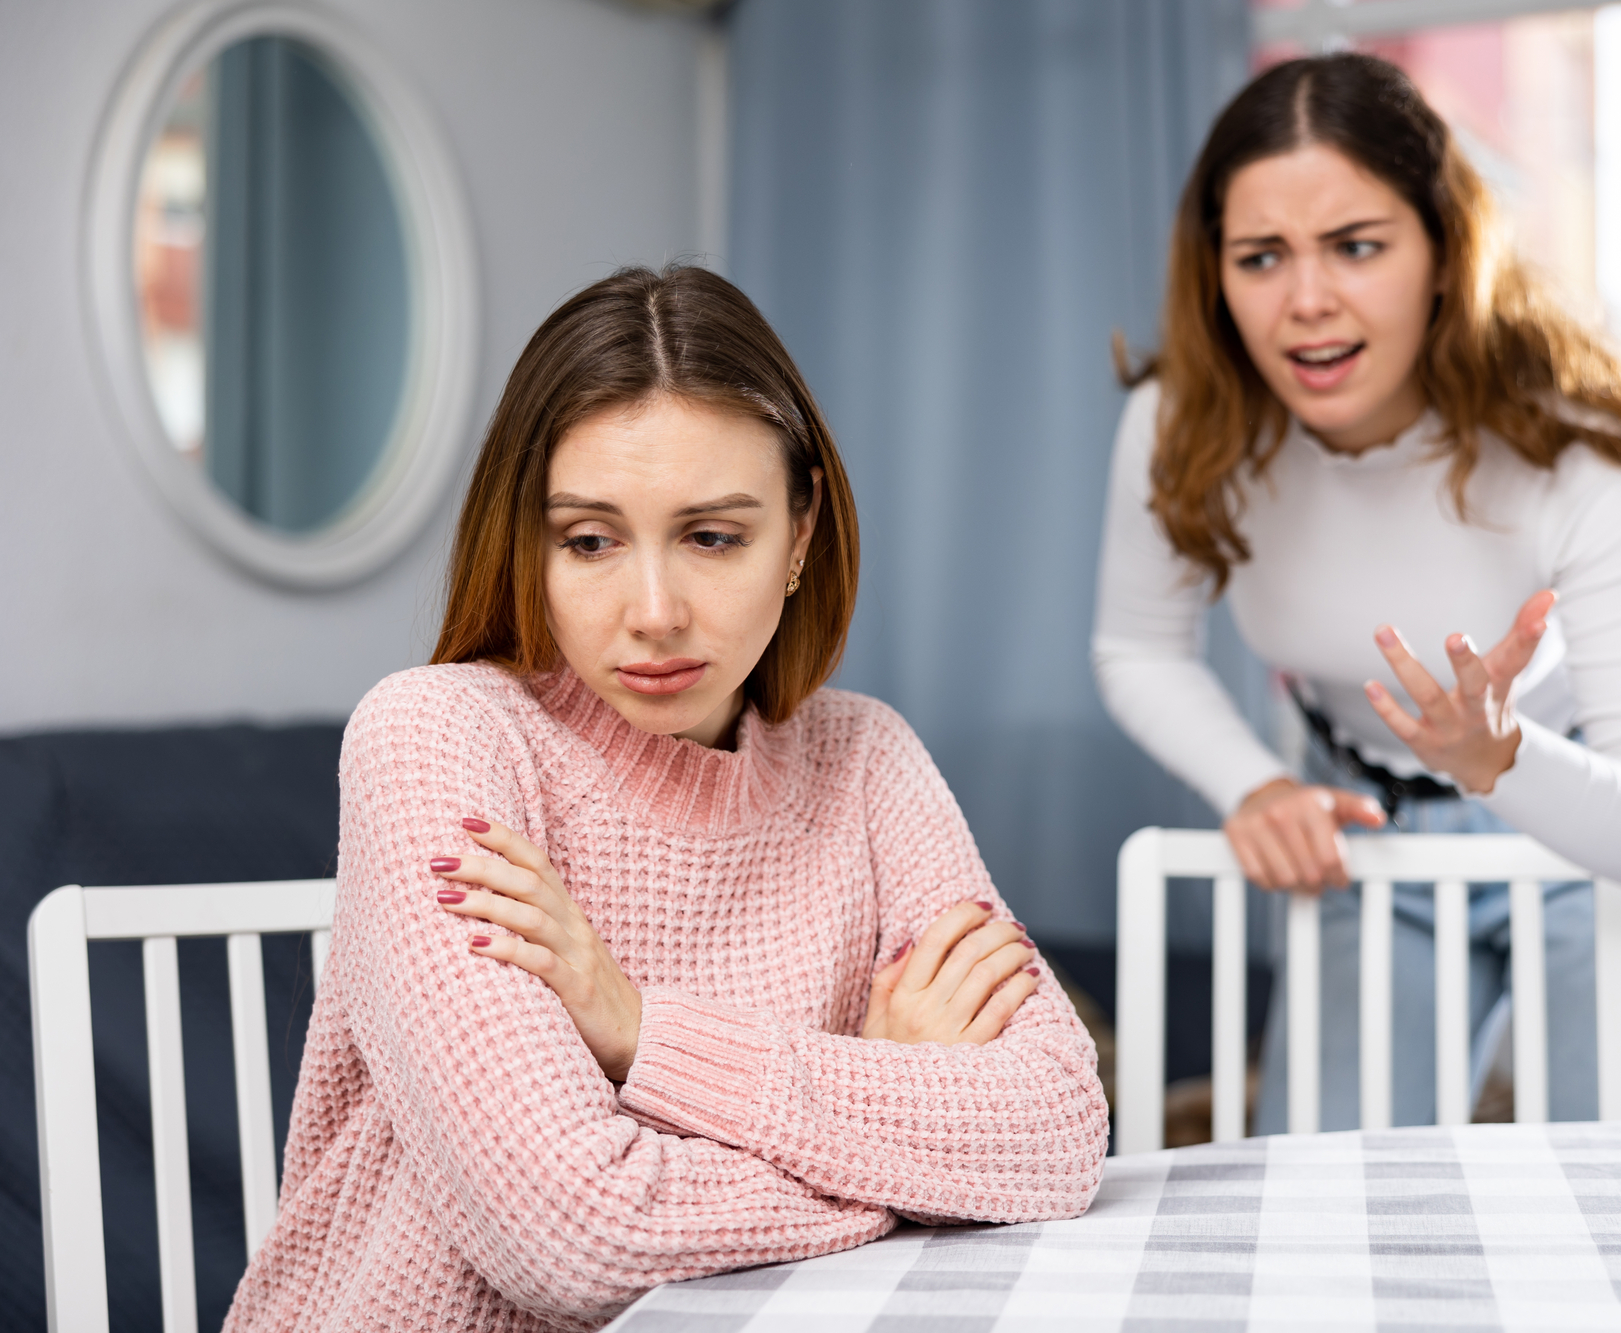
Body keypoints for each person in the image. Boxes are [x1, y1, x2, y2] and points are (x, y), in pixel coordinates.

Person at [227, 267, 1107, 1332]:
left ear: (800, 531)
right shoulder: (434, 737)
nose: (652, 612)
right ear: (529, 542)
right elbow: (579, 1236)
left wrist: (641, 1035)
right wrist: (895, 1116)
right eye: (589, 540)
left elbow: (1057, 1128)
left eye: (712, 536)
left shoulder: (865, 759)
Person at [1092, 53, 1621, 1130]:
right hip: (1371, 840)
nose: (1305, 302)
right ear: (1215, 275)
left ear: (1443, 249)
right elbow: (1137, 649)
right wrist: (1255, 786)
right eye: (1259, 257)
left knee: (1615, 1224)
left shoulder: (1580, 451)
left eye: (1355, 246)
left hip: (1592, 843)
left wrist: (1501, 759)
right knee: (1327, 1220)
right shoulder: (1178, 420)